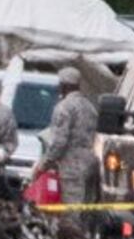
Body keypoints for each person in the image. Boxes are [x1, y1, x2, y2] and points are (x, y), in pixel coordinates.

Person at [37, 73, 99, 205]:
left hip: (71, 166)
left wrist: (45, 163)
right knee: (86, 210)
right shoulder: (91, 107)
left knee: (71, 211)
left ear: (63, 86)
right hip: (90, 164)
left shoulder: (64, 107)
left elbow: (59, 141)